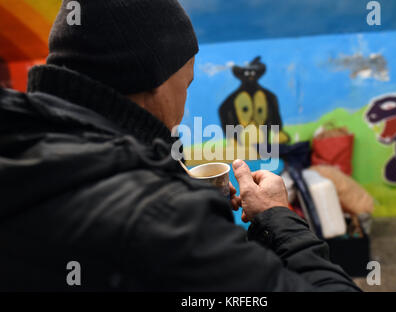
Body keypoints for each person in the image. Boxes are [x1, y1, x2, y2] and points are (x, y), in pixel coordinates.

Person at [0, 0, 360, 291]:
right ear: (154, 81)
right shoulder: (165, 219)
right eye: (186, 84)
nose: (184, 110)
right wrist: (276, 217)